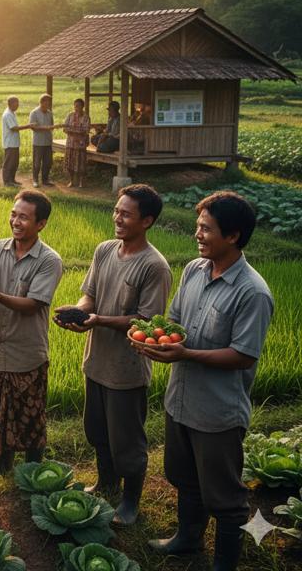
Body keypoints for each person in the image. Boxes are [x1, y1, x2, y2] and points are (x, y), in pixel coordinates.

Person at [139, 192, 273, 571]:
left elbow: (243, 355)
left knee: (225, 498)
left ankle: (223, 564)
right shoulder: (194, 270)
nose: (197, 234)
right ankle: (187, 539)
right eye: (197, 226)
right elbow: (176, 322)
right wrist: (151, 338)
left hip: (217, 413)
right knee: (183, 476)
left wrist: (185, 354)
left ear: (232, 236)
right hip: (180, 400)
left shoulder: (252, 292)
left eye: (205, 228)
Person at [54, 184, 171, 525]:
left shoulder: (155, 266)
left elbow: (148, 322)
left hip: (127, 369)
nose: (117, 218)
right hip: (97, 362)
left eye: (126, 214)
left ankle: (131, 502)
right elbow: (88, 295)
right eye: (116, 210)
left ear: (147, 221)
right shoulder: (105, 250)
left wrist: (99, 319)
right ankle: (106, 483)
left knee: (127, 443)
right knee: (97, 431)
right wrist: (79, 313)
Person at [0, 189, 63, 479]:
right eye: (13, 214)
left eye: (23, 217)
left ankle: (34, 469)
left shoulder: (49, 260)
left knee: (30, 416)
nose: (15, 221)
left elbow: (33, 305)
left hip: (26, 353)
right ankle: (1, 465)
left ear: (41, 224)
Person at [1, 96, 30, 187]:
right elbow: (13, 128)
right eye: (16, 104)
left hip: (14, 143)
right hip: (10, 143)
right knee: (9, 163)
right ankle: (7, 182)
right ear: (10, 104)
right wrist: (28, 126)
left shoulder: (12, 113)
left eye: (18, 104)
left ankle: (12, 180)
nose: (18, 105)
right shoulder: (8, 114)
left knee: (14, 163)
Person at [28, 94, 56, 187]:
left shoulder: (50, 113)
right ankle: (35, 180)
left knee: (48, 162)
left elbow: (52, 125)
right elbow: (33, 127)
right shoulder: (34, 113)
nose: (48, 104)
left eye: (49, 102)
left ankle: (45, 180)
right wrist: (47, 128)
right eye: (46, 102)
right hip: (38, 142)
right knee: (37, 162)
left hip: (48, 141)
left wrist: (50, 128)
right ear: (41, 102)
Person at [63, 98, 91, 188]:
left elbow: (86, 130)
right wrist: (75, 131)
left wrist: (73, 131)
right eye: (75, 106)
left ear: (82, 107)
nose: (76, 108)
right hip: (70, 143)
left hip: (81, 144)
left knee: (81, 163)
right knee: (70, 163)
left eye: (78, 106)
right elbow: (65, 128)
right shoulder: (70, 115)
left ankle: (81, 181)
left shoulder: (86, 117)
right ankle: (72, 181)